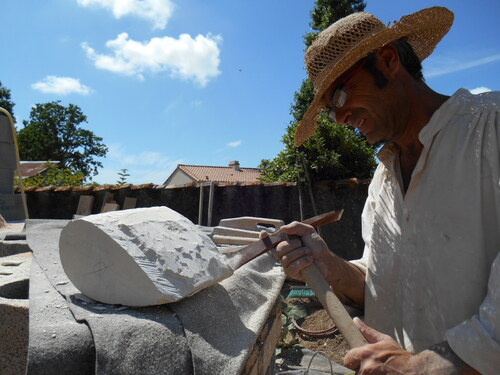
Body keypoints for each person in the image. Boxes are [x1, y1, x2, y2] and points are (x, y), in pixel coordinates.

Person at [274, 6, 500, 374]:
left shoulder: (491, 129)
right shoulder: (382, 181)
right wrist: (326, 265)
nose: (343, 119)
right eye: (333, 111)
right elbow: (383, 286)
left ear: (389, 60)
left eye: (342, 96)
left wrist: (420, 368)